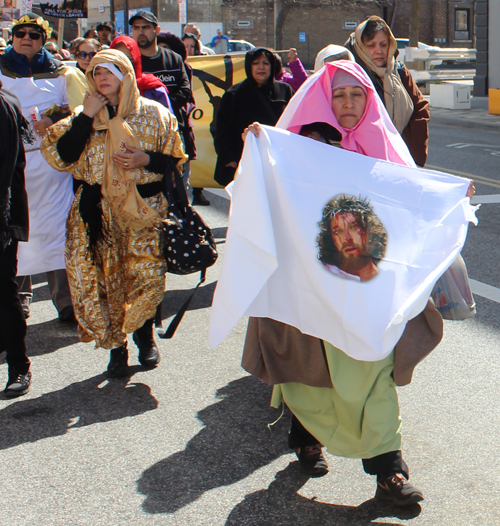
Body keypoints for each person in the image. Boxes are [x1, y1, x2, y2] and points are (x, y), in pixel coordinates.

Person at [242, 61, 435, 506]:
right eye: (339, 95)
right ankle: (306, 436)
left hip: (368, 290)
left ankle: (389, 471)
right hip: (311, 286)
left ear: (370, 100)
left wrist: (446, 199)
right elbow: (270, 194)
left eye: (356, 95)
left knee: (374, 372)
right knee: (312, 373)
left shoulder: (382, 146)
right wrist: (260, 146)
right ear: (323, 100)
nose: (348, 104)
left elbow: (410, 195)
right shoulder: (299, 144)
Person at [41, 49, 188, 377]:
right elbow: (63, 156)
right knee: (105, 281)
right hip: (96, 213)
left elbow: (175, 162)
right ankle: (117, 348)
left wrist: (145, 159)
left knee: (145, 276)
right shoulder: (84, 114)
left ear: (126, 75)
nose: (101, 77)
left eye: (109, 70)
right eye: (95, 72)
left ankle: (145, 337)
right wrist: (84, 116)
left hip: (143, 211)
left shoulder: (155, 114)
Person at [0, 13, 86, 321]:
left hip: (52, 168)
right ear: (12, 37)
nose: (26, 38)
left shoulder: (64, 73)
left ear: (43, 39)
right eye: (20, 33)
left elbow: (82, 113)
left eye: (33, 34)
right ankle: (16, 298)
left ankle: (65, 301)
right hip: (10, 164)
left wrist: (55, 120)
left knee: (57, 231)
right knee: (14, 229)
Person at [345, 16, 429, 167]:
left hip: (400, 156)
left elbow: (420, 108)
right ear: (361, 48)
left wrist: (405, 147)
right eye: (371, 45)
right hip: (365, 160)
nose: (379, 51)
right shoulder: (351, 77)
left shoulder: (399, 71)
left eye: (383, 45)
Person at [213, 47, 294, 187]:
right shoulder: (234, 94)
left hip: (277, 161)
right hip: (243, 160)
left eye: (266, 63)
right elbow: (222, 129)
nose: (261, 67)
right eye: (256, 63)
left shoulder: (285, 91)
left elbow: (294, 122)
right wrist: (228, 157)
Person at [0, 81, 32, 397]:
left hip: (3, 219)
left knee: (4, 294)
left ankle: (19, 367)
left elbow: (5, 174)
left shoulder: (2, 106)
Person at [318, 194, 387, 282]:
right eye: (338, 231)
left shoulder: (388, 279)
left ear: (369, 230)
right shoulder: (321, 277)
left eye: (354, 227)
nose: (347, 238)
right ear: (331, 239)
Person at [110, 35, 173, 113]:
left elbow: (168, 120)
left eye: (129, 59)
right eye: (119, 60)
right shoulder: (105, 87)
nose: (124, 65)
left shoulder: (153, 88)